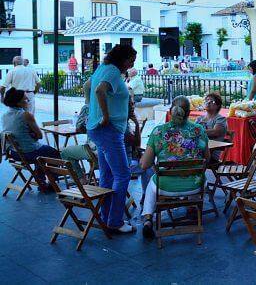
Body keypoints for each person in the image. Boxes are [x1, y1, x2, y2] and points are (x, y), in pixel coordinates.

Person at [140, 96, 209, 239]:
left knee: (152, 184)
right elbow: (206, 159)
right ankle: (192, 206)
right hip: (195, 185)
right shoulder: (199, 130)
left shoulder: (159, 132)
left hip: (166, 186)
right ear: (189, 112)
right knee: (198, 174)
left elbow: (144, 164)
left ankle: (147, 220)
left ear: (171, 111)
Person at [87, 44, 138, 234]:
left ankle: (106, 215)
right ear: (122, 59)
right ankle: (115, 221)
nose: (132, 63)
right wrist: (106, 116)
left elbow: (89, 87)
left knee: (107, 175)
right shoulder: (113, 73)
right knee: (123, 174)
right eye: (131, 60)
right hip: (109, 130)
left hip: (100, 129)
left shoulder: (102, 69)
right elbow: (100, 90)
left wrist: (96, 112)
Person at [2, 88, 61, 192]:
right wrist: (32, 134)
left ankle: (41, 181)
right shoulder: (26, 115)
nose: (28, 102)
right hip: (28, 152)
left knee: (41, 155)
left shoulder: (5, 115)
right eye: (26, 100)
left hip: (14, 152)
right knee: (54, 153)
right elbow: (39, 135)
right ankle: (52, 182)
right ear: (18, 102)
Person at [61, 80, 96, 179]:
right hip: (113, 151)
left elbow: (79, 128)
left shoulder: (87, 108)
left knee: (65, 153)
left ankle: (81, 179)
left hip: (95, 151)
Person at [196, 92, 227, 161]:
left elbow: (215, 132)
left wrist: (198, 131)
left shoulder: (220, 119)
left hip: (210, 154)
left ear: (217, 105)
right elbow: (193, 131)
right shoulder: (199, 118)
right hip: (197, 150)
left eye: (211, 101)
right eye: (206, 100)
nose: (208, 102)